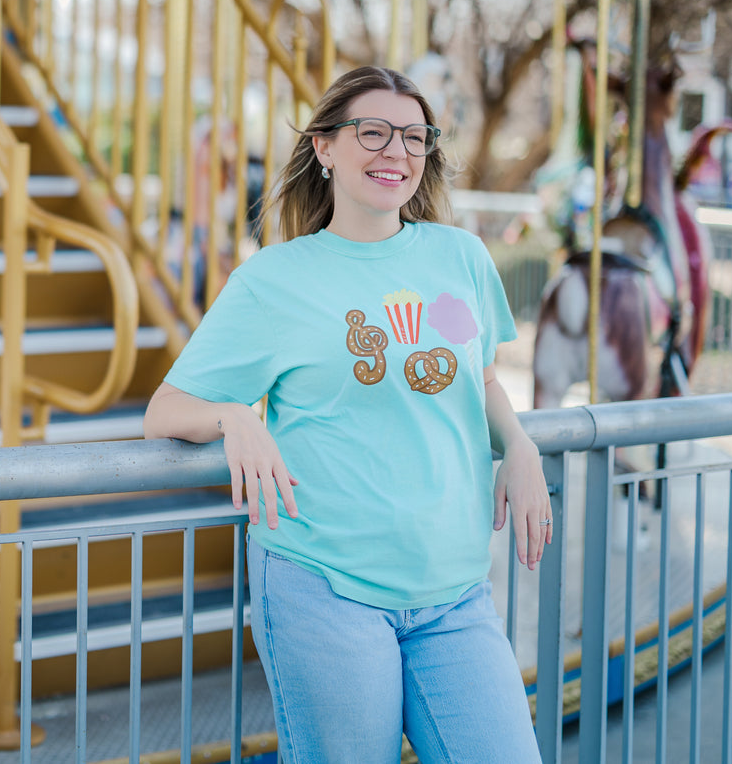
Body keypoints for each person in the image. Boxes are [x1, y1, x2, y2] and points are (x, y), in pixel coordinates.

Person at [142, 66, 549, 763]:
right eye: (372, 132)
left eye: (414, 137)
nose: (396, 151)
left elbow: (478, 382)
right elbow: (165, 410)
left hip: (453, 591)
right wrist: (232, 418)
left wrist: (519, 443)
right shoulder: (275, 278)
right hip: (322, 585)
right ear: (325, 147)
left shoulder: (462, 257)